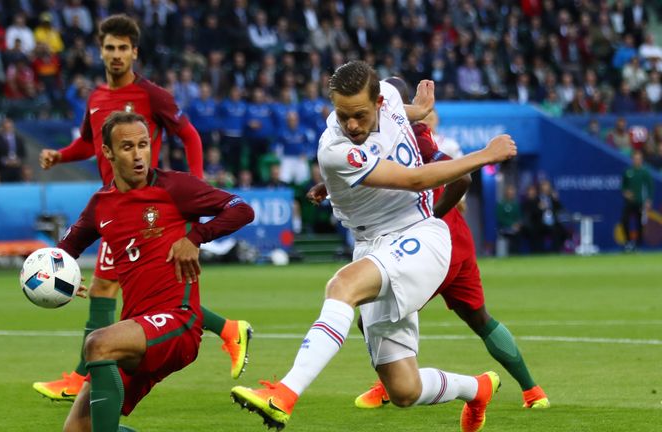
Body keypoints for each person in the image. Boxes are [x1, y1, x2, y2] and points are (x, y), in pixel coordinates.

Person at [231, 61, 516, 432]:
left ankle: (283, 394)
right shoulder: (335, 149)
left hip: (420, 236)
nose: (351, 125)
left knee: (341, 287)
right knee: (403, 389)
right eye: (342, 114)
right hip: (372, 245)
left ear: (380, 102)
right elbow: (414, 180)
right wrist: (486, 154)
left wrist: (423, 108)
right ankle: (476, 388)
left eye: (360, 115)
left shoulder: (392, 98)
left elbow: (407, 113)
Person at [36, 14, 250, 402]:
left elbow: (189, 134)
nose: (116, 55)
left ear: (134, 52)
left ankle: (84, 374)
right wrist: (61, 156)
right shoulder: (97, 99)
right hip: (113, 205)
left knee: (106, 286)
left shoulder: (153, 96)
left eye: (123, 48)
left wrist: (196, 194)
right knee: (132, 289)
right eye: (109, 48)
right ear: (100, 52)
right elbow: (88, 143)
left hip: (145, 204)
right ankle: (229, 329)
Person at [345, 78, 548, 411]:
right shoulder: (390, 138)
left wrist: (428, 219)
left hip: (428, 244)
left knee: (372, 316)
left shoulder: (414, 138)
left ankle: (388, 386)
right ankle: (533, 391)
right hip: (457, 239)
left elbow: (459, 179)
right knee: (480, 318)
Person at [58, 111, 254, 432]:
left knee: (97, 343)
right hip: (136, 329)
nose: (138, 155)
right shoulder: (101, 205)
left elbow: (241, 208)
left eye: (143, 145)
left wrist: (195, 237)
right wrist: (62, 275)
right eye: (127, 147)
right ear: (107, 152)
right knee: (78, 429)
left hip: (178, 321)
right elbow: (66, 248)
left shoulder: (175, 187)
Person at [621, 151, 654, 251]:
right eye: (635, 158)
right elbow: (623, 186)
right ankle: (628, 242)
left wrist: (648, 200)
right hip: (630, 202)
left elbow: (650, 187)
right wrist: (625, 192)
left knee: (640, 223)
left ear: (641, 160)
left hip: (641, 202)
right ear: (632, 160)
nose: (637, 160)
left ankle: (637, 245)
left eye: (639, 159)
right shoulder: (628, 171)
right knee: (624, 220)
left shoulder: (645, 172)